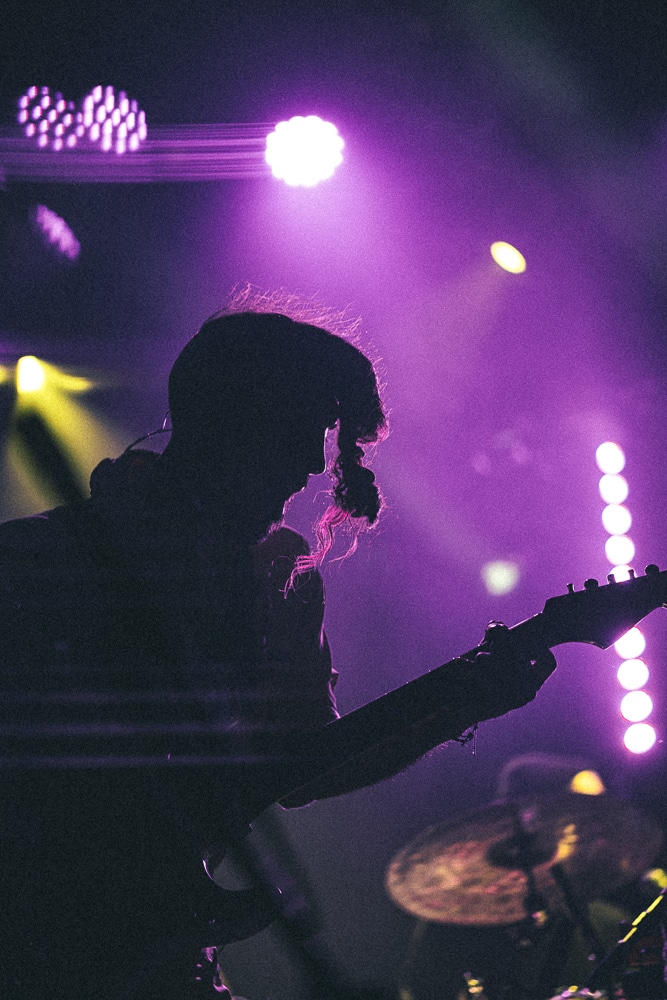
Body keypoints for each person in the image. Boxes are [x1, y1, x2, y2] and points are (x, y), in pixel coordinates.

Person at [0, 304, 556, 999]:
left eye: (322, 436)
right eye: (298, 430)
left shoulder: (281, 584)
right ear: (225, 423)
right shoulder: (40, 559)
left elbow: (304, 764)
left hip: (171, 960)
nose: (311, 463)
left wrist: (460, 708)